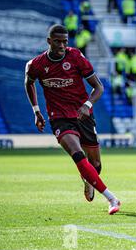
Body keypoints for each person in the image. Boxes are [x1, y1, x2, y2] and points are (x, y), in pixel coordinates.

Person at [24, 24, 120, 214]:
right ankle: (112, 198)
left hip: (83, 115)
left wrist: (87, 105)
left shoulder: (76, 57)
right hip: (59, 117)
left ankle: (88, 180)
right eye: (57, 41)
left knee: (96, 165)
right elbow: (29, 83)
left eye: (64, 42)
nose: (61, 45)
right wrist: (36, 111)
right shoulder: (35, 64)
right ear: (48, 41)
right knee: (77, 153)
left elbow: (98, 87)